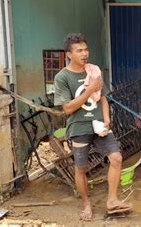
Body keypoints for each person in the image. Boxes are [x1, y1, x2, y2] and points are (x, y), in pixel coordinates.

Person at [54, 33, 131, 221]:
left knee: (116, 158)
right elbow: (68, 108)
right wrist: (90, 89)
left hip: (99, 126)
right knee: (81, 168)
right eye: (79, 50)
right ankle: (87, 204)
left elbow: (103, 97)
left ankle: (112, 200)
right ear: (69, 54)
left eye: (86, 49)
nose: (85, 53)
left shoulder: (93, 71)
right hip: (79, 128)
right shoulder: (62, 77)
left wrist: (107, 119)